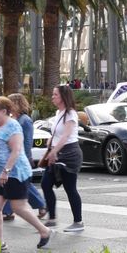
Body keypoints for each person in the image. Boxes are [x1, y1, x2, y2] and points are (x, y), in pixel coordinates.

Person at [0, 96, 52, 249]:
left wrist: (6, 170)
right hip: (0, 174)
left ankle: (44, 231)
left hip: (15, 173)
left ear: (4, 111)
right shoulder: (1, 127)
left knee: (18, 207)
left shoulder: (13, 126)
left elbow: (16, 150)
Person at [41, 85, 84, 232]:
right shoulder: (59, 112)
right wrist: (51, 143)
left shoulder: (70, 113)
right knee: (46, 183)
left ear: (63, 97)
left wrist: (55, 151)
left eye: (55, 95)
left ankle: (78, 222)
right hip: (57, 152)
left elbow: (66, 136)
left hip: (69, 153)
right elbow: (58, 134)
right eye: (53, 94)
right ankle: (52, 218)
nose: (52, 97)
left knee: (70, 188)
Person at [1, 94, 47, 221]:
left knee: (20, 183)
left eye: (9, 103)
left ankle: (41, 204)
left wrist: (24, 158)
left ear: (16, 104)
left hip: (20, 157)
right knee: (14, 183)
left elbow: (26, 142)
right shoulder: (16, 119)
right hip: (14, 156)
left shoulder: (25, 120)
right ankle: (8, 211)